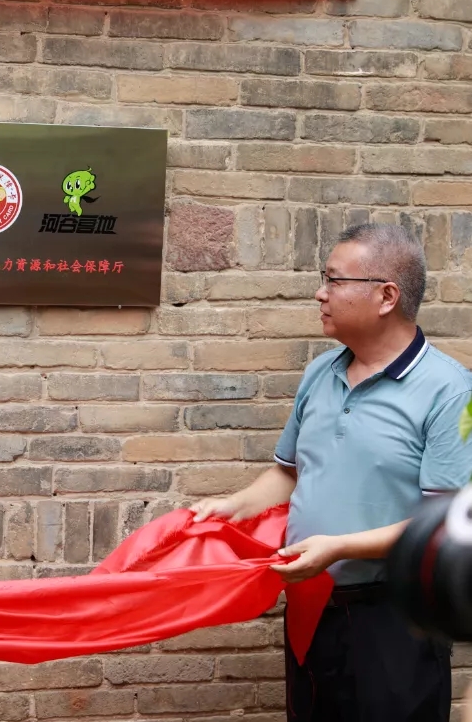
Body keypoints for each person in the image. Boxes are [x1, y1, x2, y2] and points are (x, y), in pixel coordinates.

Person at [192, 224, 472, 722]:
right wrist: (232, 506)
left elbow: (443, 523)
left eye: (334, 280)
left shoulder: (449, 391)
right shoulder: (320, 373)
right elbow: (288, 474)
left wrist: (339, 547)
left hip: (395, 620)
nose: (321, 293)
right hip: (311, 608)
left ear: (387, 296)